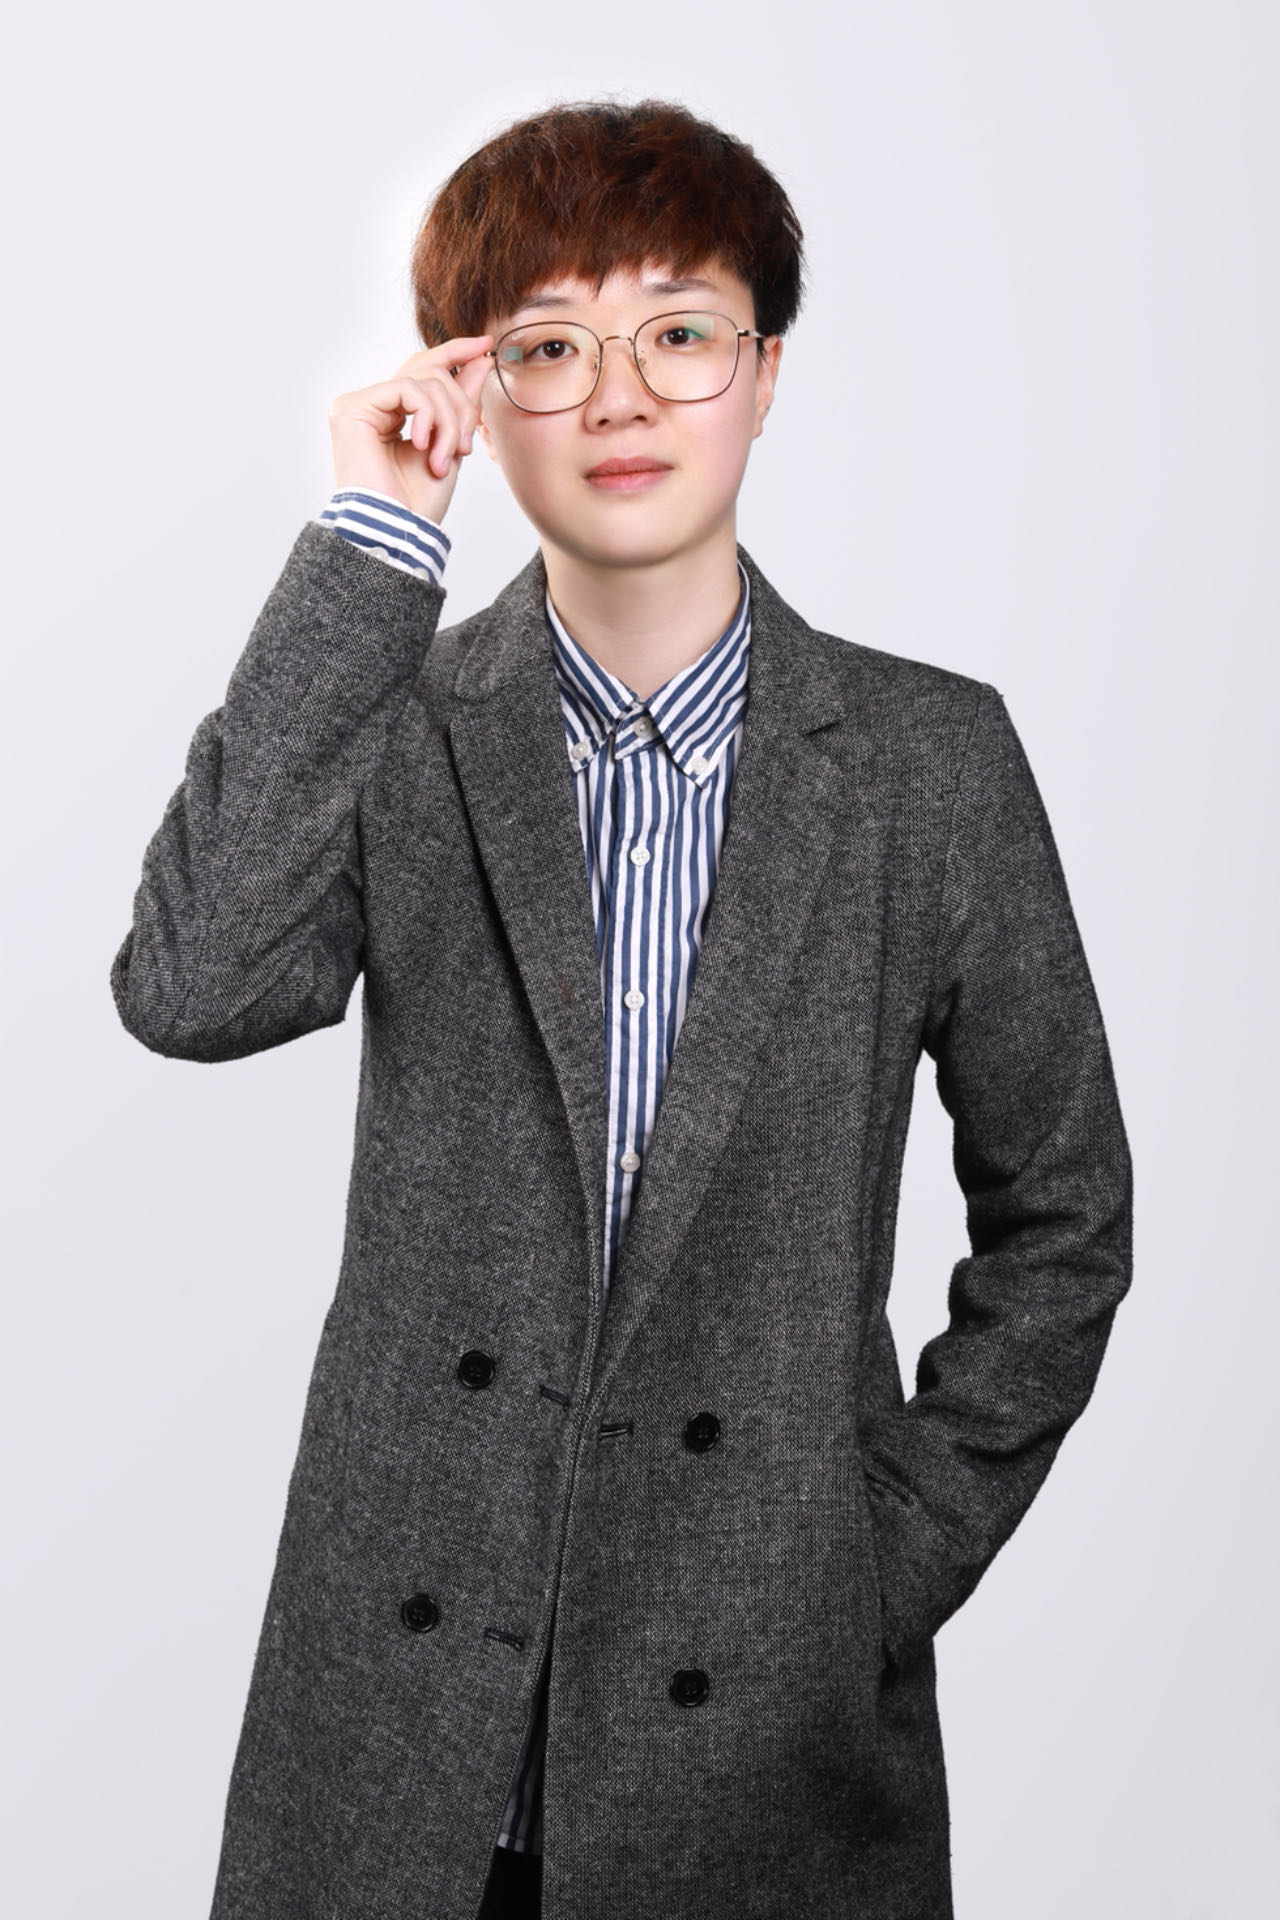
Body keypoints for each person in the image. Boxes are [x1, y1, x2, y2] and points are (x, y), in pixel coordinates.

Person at [110, 98, 1133, 1920]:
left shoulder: (928, 762)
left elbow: (1064, 1217)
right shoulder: (399, 727)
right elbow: (193, 988)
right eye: (548, 347)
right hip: (399, 1718)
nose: (619, 397)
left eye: (679, 333)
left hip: (765, 1727)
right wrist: (369, 544)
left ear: (766, 372)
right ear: (474, 389)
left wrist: (872, 1572)